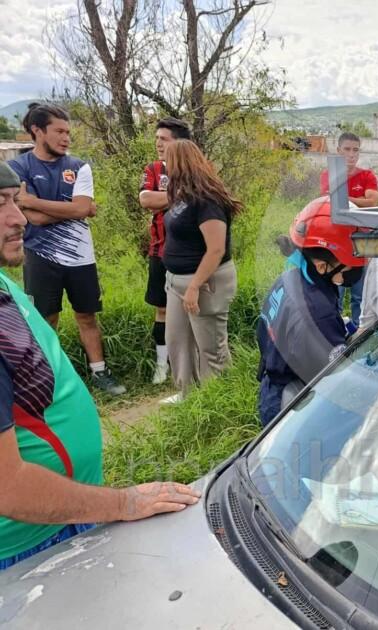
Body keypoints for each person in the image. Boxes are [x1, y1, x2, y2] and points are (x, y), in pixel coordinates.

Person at [0, 161, 200, 571]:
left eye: (14, 201)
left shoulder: (4, 284)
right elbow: (8, 486)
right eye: (0, 205)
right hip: (30, 543)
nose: (18, 218)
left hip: (60, 515)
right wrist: (124, 503)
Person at [8, 103, 125, 395]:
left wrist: (34, 202)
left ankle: (100, 372)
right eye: (59, 131)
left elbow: (81, 208)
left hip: (80, 257)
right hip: (39, 255)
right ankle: (51, 379)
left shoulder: (78, 166)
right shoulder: (18, 167)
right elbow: (33, 218)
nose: (66, 138)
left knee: (87, 315)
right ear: (37, 131)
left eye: (68, 132)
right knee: (46, 319)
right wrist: (73, 210)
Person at [256, 197, 366, 426]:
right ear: (322, 265)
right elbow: (337, 377)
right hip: (293, 400)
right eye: (349, 265)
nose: (355, 270)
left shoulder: (290, 277)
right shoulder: (317, 312)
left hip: (272, 384)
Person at [163, 140, 240, 400]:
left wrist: (195, 286)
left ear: (180, 163)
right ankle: (188, 397)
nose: (165, 166)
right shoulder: (182, 195)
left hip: (205, 283)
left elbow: (216, 249)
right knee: (178, 343)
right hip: (176, 282)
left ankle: (217, 402)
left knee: (211, 350)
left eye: (168, 160)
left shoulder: (208, 201)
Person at [139, 117, 192, 385]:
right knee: (161, 310)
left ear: (179, 142)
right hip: (159, 251)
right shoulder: (153, 169)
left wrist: (164, 200)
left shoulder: (194, 170)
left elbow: (204, 199)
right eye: (157, 138)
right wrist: (183, 197)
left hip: (189, 254)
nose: (158, 143)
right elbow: (146, 199)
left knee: (190, 309)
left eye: (164, 139)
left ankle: (189, 364)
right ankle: (162, 365)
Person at [319, 132, 378, 327]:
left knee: (359, 294)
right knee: (335, 291)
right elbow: (327, 202)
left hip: (362, 240)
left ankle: (358, 331)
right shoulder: (329, 175)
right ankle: (334, 331)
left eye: (355, 150)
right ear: (338, 150)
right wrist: (357, 201)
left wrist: (343, 198)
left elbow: (372, 202)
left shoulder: (367, 176)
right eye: (347, 149)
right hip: (336, 242)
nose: (351, 154)